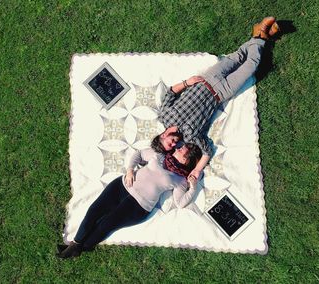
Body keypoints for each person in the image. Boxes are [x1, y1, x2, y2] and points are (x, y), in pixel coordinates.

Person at [155, 16, 280, 180]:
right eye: (172, 148)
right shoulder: (190, 137)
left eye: (169, 144)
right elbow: (207, 151)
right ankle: (261, 34)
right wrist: (197, 170)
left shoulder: (164, 115)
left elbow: (171, 92)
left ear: (163, 135)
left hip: (207, 79)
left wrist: (187, 82)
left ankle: (261, 35)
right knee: (251, 66)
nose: (173, 145)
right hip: (221, 93)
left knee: (238, 56)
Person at [57, 142, 202, 259]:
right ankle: (76, 244)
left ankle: (79, 247)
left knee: (106, 223)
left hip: (139, 205)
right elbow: (138, 154)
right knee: (94, 210)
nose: (180, 146)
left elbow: (180, 202)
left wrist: (193, 187)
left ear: (186, 159)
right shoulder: (160, 155)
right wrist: (130, 170)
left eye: (184, 149)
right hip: (123, 185)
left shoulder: (180, 179)